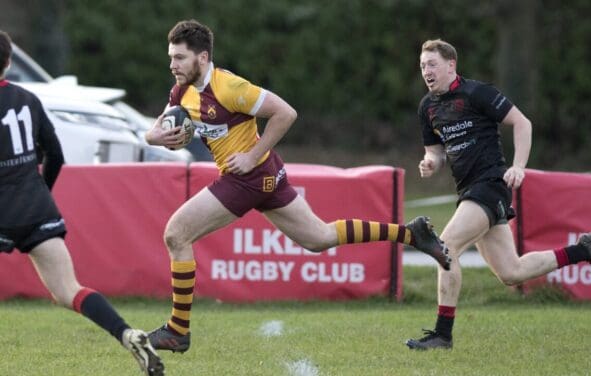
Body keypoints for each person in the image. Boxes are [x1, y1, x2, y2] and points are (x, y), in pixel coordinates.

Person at [143, 19, 451, 353]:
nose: (172, 65)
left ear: (202, 58)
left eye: (179, 58)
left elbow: (285, 113)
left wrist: (250, 156)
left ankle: (177, 330)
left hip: (247, 177)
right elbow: (158, 128)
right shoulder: (180, 91)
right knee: (319, 237)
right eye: (171, 57)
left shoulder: (229, 87)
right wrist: (153, 137)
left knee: (176, 234)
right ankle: (411, 234)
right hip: (264, 175)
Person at [406, 39, 591, 350]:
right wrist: (430, 163)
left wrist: (519, 166)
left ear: (451, 64)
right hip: (469, 190)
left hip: (491, 184)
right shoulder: (427, 107)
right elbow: (435, 152)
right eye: (422, 66)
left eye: (432, 64)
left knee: (446, 246)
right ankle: (582, 251)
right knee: (511, 272)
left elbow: (522, 123)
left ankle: (442, 334)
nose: (426, 71)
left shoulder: (477, 92)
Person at [0, 31, 164, 376]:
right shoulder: (28, 99)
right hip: (37, 209)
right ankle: (126, 333)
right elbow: (55, 155)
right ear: (9, 63)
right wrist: (40, 192)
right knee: (68, 291)